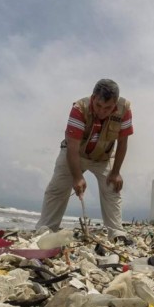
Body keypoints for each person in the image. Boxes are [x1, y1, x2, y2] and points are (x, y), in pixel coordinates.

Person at [36, 78, 133, 241]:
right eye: (98, 106)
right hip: (75, 154)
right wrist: (77, 176)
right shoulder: (79, 108)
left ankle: (117, 233)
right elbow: (72, 146)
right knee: (57, 188)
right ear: (93, 98)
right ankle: (46, 230)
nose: (102, 111)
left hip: (104, 157)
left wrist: (116, 172)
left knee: (112, 189)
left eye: (108, 108)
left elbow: (123, 143)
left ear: (115, 104)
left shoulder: (124, 110)